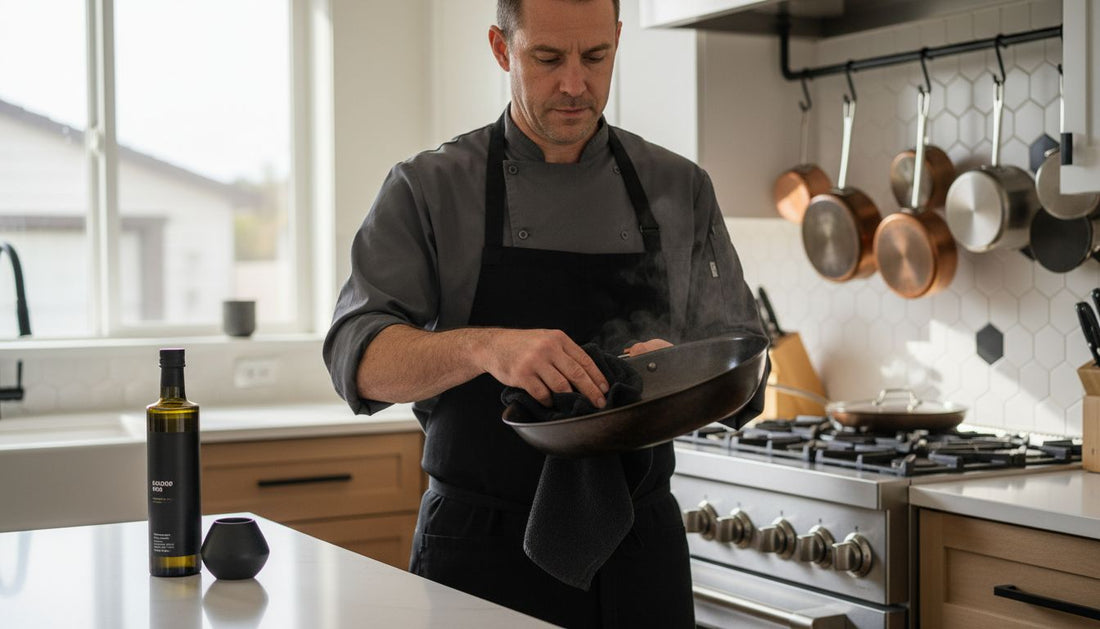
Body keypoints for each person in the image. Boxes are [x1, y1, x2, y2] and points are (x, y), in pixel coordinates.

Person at [323, 0, 767, 626]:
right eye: (547, 58)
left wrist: (679, 370)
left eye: (595, 57)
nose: (574, 85)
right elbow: (359, 361)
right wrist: (485, 347)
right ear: (502, 49)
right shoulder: (428, 188)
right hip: (479, 551)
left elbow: (743, 364)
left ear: (617, 40)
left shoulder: (679, 186)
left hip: (640, 551)